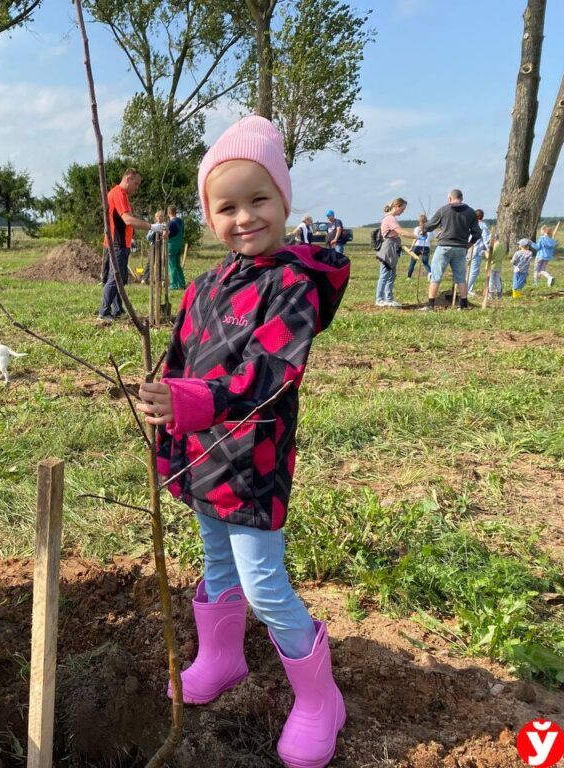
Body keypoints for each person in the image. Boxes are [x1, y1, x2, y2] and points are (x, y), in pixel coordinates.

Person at [137, 116, 349, 768]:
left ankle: (320, 701)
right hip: (205, 457)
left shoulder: (292, 286)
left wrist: (192, 402)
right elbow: (179, 363)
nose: (244, 217)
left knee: (263, 584)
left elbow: (269, 374)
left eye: (259, 200)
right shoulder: (201, 288)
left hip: (254, 460)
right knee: (217, 561)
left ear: (284, 201)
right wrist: (163, 409)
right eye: (225, 206)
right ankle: (222, 657)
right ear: (206, 216)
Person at [98, 168, 158, 322]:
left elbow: (122, 223)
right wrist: (152, 226)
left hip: (120, 243)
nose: (137, 188)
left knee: (121, 278)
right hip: (117, 244)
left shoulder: (119, 194)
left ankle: (117, 310)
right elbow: (128, 220)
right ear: (128, 179)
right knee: (115, 278)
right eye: (136, 184)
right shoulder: (119, 194)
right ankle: (104, 312)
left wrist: (130, 237)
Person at [421, 189, 481, 311]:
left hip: (444, 247)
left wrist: (424, 228)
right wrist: (469, 244)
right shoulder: (470, 212)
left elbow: (430, 226)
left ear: (450, 198)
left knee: (436, 276)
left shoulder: (444, 209)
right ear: (461, 198)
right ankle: (463, 305)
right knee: (460, 277)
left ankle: (430, 305)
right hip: (460, 248)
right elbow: (477, 232)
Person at [376, 198, 410, 308]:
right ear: (396, 206)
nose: (403, 211)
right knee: (385, 274)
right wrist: (418, 236)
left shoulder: (391, 218)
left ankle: (388, 299)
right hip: (388, 247)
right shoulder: (390, 218)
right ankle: (380, 299)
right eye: (403, 209)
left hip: (393, 246)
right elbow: (402, 232)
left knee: (391, 275)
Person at [466, 209, 491, 296]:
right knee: (474, 271)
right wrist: (488, 249)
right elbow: (486, 239)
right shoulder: (483, 225)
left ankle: (469, 288)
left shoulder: (469, 223)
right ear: (482, 216)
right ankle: (466, 289)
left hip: (468, 248)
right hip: (477, 249)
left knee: (469, 269)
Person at [406, 213, 431, 281]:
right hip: (426, 248)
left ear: (419, 221)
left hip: (416, 247)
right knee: (425, 263)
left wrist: (411, 247)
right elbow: (436, 236)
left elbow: (415, 238)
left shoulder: (417, 229)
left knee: (412, 263)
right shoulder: (430, 229)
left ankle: (409, 277)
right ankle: (430, 273)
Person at [167, 205, 186, 289]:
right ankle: (182, 283)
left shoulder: (171, 223)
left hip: (171, 246)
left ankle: (173, 284)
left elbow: (166, 235)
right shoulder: (181, 221)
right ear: (176, 212)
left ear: (168, 213)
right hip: (179, 245)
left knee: (172, 266)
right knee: (178, 265)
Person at [533, 223, 558, 288]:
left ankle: (536, 283)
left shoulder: (542, 238)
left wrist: (531, 243)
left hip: (540, 256)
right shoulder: (552, 240)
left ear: (544, 231)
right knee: (542, 270)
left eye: (541, 230)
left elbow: (537, 247)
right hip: (547, 257)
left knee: (536, 270)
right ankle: (549, 277)